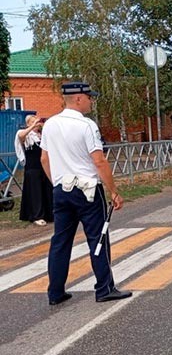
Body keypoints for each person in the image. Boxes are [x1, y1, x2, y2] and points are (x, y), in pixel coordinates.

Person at [39, 82, 129, 305]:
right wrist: (114, 191)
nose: (92, 100)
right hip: (87, 190)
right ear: (78, 98)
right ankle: (104, 288)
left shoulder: (50, 124)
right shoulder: (87, 125)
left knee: (60, 241)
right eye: (89, 97)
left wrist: (57, 183)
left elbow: (44, 159)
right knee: (97, 238)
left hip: (62, 190)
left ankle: (56, 292)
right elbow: (99, 161)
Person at [17, 114, 53, 226]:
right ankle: (37, 215)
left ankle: (49, 214)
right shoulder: (25, 134)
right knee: (35, 191)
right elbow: (21, 136)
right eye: (33, 121)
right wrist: (32, 126)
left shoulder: (41, 136)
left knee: (47, 189)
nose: (36, 123)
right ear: (28, 123)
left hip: (43, 166)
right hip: (32, 167)